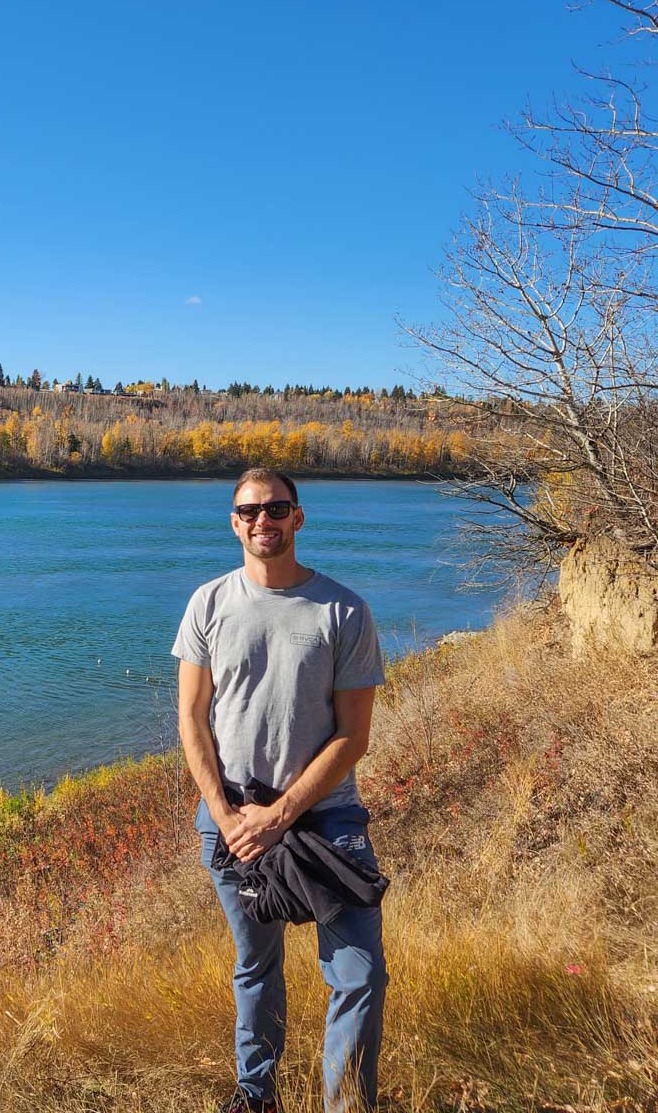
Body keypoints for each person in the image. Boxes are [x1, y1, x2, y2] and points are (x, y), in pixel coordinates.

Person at [172, 467, 387, 1113]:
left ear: (298, 517)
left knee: (360, 972)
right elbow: (190, 716)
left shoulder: (343, 610)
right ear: (234, 522)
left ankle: (344, 1105)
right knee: (256, 965)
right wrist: (225, 814)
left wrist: (282, 813)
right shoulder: (208, 604)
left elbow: (354, 736)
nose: (262, 520)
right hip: (233, 819)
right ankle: (256, 1094)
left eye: (276, 508)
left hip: (326, 821)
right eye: (249, 511)